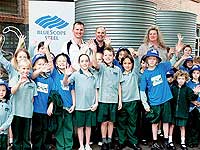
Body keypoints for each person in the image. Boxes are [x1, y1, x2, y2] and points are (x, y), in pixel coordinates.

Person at [139, 48, 183, 150]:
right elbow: (142, 90)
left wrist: (176, 52)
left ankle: (166, 140)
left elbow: (172, 62)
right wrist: (145, 104)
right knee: (154, 122)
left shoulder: (161, 67)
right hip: (154, 102)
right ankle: (154, 141)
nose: (152, 61)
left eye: (154, 59)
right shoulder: (145, 74)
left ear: (157, 60)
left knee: (166, 121)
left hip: (166, 100)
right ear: (146, 60)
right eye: (150, 59)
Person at [63, 54, 98, 150]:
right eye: (82, 61)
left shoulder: (93, 75)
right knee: (80, 127)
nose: (84, 63)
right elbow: (65, 83)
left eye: (86, 61)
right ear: (79, 63)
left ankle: (87, 144)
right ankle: (81, 145)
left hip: (90, 106)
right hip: (79, 106)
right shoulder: (76, 74)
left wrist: (96, 103)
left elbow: (96, 89)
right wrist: (66, 75)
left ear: (89, 62)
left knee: (88, 126)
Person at [92, 46, 123, 150]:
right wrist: (94, 51)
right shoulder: (101, 67)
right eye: (105, 55)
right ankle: (104, 140)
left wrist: (120, 100)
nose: (108, 57)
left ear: (114, 56)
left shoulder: (117, 69)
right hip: (103, 100)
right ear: (103, 57)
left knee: (111, 122)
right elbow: (95, 64)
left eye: (110, 55)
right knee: (104, 122)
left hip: (113, 100)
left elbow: (119, 85)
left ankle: (110, 140)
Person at [48, 53, 75, 150]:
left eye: (64, 60)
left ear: (67, 62)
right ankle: (60, 147)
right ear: (56, 63)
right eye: (59, 61)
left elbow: (72, 90)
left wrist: (74, 104)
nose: (62, 63)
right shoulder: (55, 73)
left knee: (68, 128)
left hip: (68, 106)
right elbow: (50, 62)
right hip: (58, 106)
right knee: (59, 128)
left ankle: (68, 147)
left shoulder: (71, 75)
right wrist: (46, 47)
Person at [31, 48, 55, 150]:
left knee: (46, 131)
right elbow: (32, 75)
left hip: (46, 111)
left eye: (43, 64)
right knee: (36, 131)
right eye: (38, 64)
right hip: (35, 110)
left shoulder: (49, 79)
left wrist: (51, 105)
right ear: (34, 66)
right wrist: (40, 70)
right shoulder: (34, 78)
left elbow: (54, 94)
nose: (41, 66)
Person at [10, 59, 38, 150]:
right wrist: (19, 83)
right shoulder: (15, 79)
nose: (25, 71)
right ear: (18, 68)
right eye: (23, 68)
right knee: (17, 137)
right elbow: (12, 91)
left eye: (27, 68)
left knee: (26, 137)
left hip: (27, 114)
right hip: (16, 112)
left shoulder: (32, 83)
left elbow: (33, 98)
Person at [116, 54, 141, 150]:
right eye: (125, 63)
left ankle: (133, 141)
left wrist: (135, 56)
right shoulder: (120, 74)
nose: (127, 65)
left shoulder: (134, 73)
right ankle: (122, 141)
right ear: (121, 64)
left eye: (129, 63)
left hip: (133, 102)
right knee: (121, 122)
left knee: (132, 122)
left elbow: (137, 64)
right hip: (123, 102)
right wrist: (119, 101)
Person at [168, 70, 198, 150]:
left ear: (185, 79)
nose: (181, 80)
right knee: (171, 126)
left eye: (183, 78)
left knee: (182, 127)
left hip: (183, 112)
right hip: (173, 111)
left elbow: (192, 98)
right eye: (179, 78)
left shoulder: (188, 89)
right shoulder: (173, 88)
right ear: (176, 79)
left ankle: (183, 142)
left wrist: (195, 93)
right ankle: (170, 141)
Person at [186, 65, 200, 148]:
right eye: (194, 73)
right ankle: (189, 141)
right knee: (189, 125)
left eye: (198, 73)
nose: (196, 75)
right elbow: (186, 96)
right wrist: (193, 101)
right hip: (191, 107)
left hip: (198, 107)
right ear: (191, 74)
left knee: (197, 125)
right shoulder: (188, 84)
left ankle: (195, 141)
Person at [0, 79, 13, 150]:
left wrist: (3, 127)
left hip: (4, 132)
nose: (1, 92)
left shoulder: (8, 103)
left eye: (3, 90)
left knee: (4, 146)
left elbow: (11, 116)